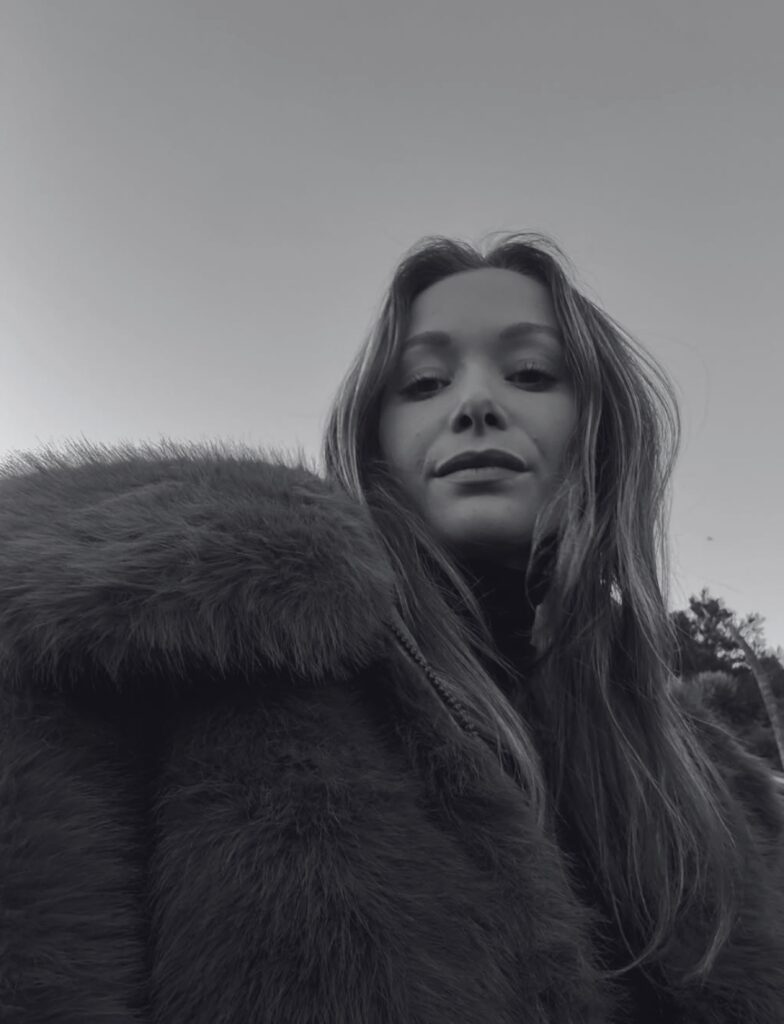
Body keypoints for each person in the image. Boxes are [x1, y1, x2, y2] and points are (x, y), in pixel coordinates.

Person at [1, 231, 783, 1024]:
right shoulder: (178, 660)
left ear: (599, 433)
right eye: (424, 382)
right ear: (374, 441)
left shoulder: (716, 787)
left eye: (530, 373)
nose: (475, 405)